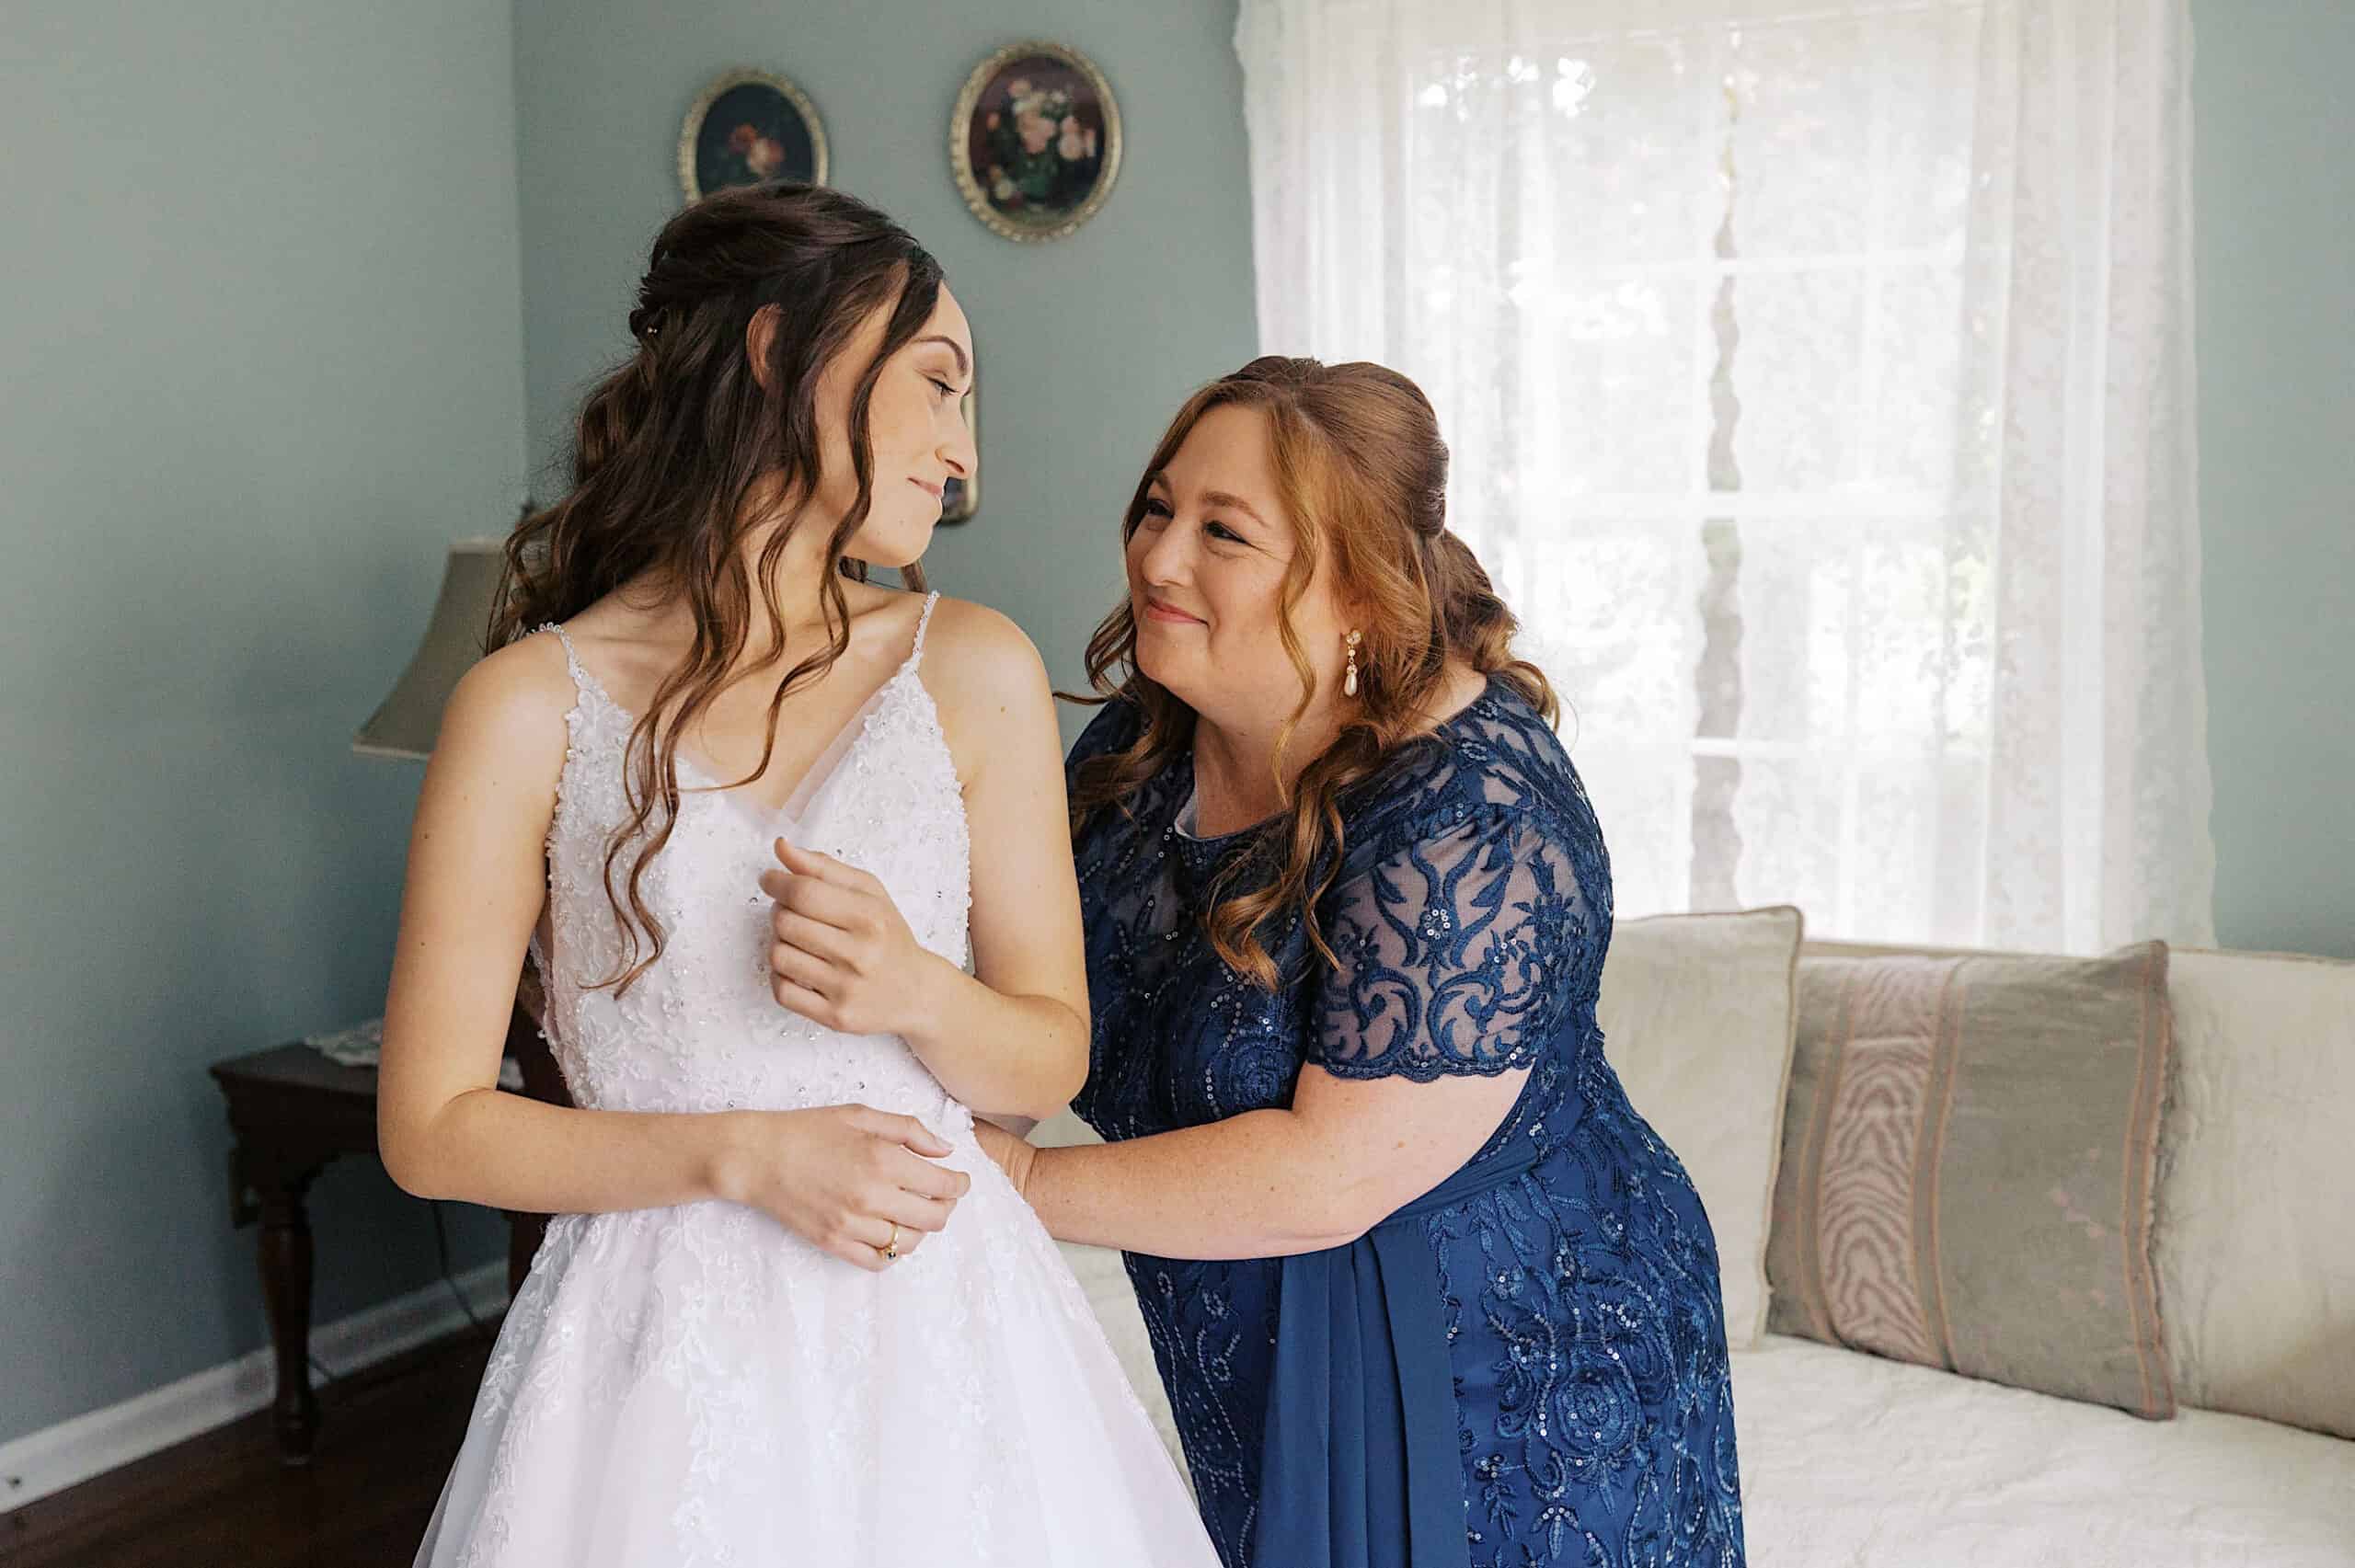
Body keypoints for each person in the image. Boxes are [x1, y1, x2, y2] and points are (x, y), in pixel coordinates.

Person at [378, 181, 1215, 1566]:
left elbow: (1046, 1060)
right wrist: (744, 1153)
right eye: (940, 385)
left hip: (946, 1343)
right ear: (780, 354)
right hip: (652, 1368)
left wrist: (914, 991)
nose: (963, 454)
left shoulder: (975, 667)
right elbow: (432, 1126)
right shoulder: (526, 708)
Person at [976, 357, 1745, 1568]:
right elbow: (1037, 999)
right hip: (1257, 1336)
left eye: (1223, 531)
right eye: (1160, 505)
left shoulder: (1470, 819)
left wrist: (1012, 1184)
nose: (1159, 556)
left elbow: (1327, 1172)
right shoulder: (1140, 752)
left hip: (1495, 1379)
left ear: (1359, 596)